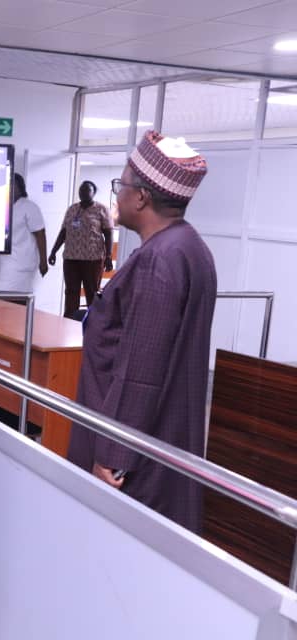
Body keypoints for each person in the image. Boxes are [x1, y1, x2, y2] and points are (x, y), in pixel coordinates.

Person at [66, 130, 215, 533]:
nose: (117, 196)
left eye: (121, 186)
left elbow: (140, 372)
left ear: (142, 198)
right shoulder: (189, 248)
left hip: (135, 460)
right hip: (162, 434)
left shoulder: (158, 261)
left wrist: (112, 454)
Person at [48, 179, 114, 318]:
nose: (83, 192)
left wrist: (108, 256)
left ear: (93, 192)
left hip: (92, 259)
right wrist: (54, 251)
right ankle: (69, 319)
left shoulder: (101, 209)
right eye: (81, 190)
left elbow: (108, 234)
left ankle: (93, 322)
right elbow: (63, 232)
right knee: (71, 291)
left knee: (92, 291)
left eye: (86, 190)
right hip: (71, 257)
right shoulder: (72, 209)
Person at [0, 173, 48, 292]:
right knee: (8, 298)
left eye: (12, 185)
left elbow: (40, 234)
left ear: (20, 188)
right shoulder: (4, 208)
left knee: (7, 296)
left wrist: (43, 262)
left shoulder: (29, 207)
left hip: (22, 262)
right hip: (8, 261)